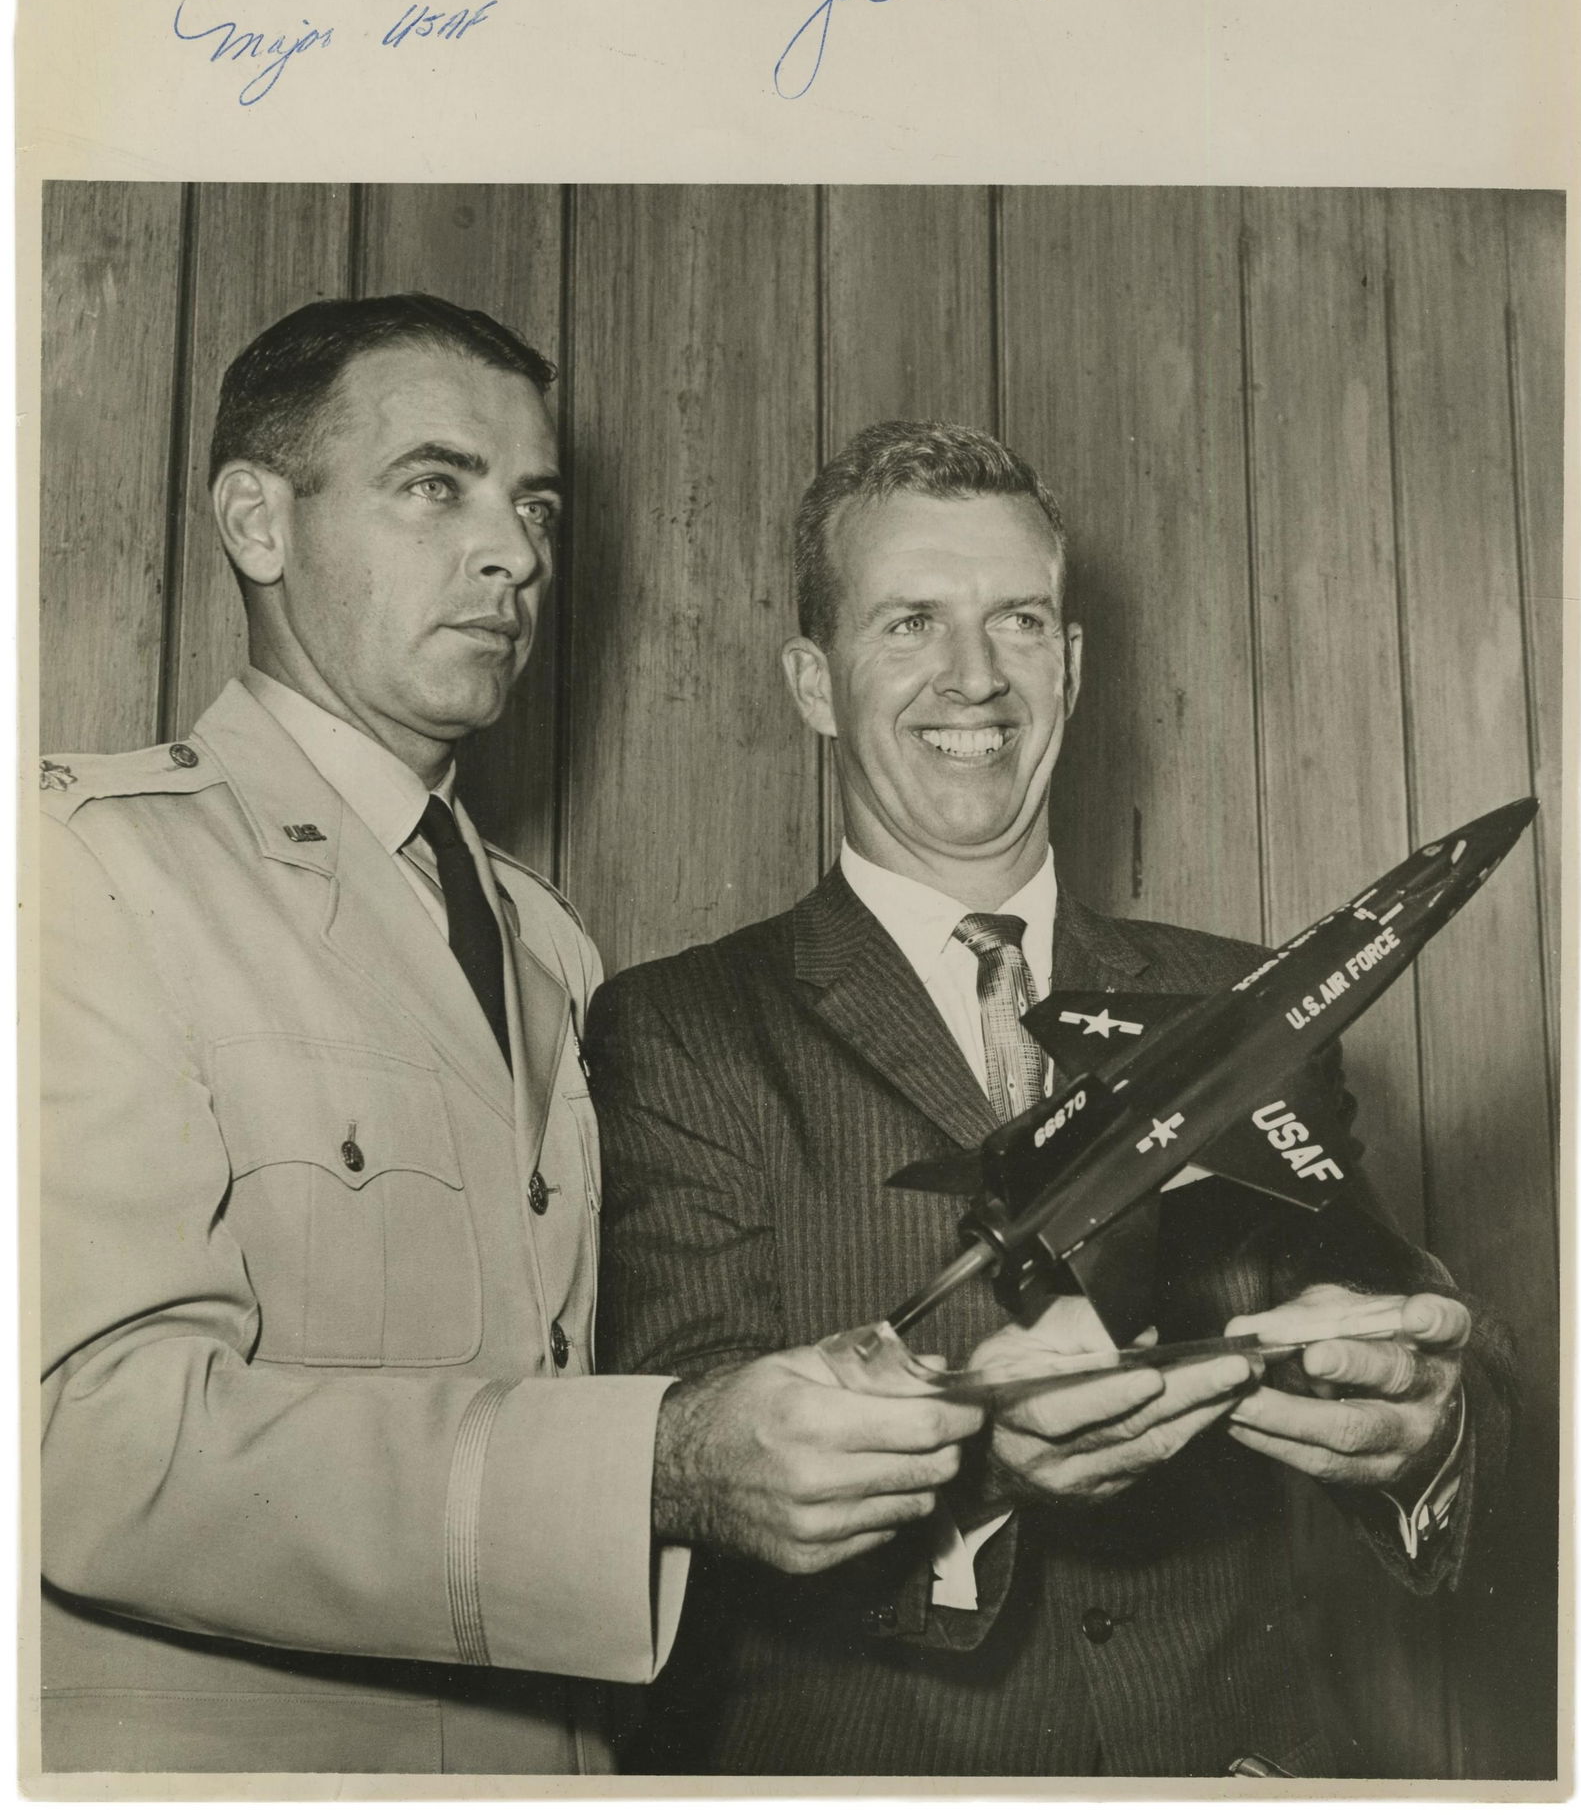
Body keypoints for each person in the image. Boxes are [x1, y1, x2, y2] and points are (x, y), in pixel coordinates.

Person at [38, 304, 982, 1776]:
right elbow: (91, 1453)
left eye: (533, 504)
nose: (516, 553)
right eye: (437, 485)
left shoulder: (545, 944)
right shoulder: (83, 866)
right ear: (256, 520)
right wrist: (654, 1466)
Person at [589, 419, 1514, 1777]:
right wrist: (981, 1467)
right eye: (910, 621)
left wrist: (1422, 1426)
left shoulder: (1241, 1005)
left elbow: (1416, 1331)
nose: (976, 677)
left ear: (1071, 669)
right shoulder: (680, 1028)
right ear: (813, 681)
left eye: (1019, 621)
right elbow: (694, 1474)